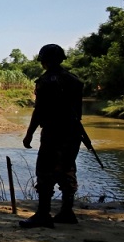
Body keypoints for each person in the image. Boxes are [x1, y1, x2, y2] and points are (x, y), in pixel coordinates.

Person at [20, 44, 84, 229]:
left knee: (45, 171)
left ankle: (43, 214)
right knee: (68, 169)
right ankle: (67, 211)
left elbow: (39, 110)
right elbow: (78, 112)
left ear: (44, 60)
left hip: (53, 132)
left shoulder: (45, 81)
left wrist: (29, 134)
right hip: (73, 132)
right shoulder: (74, 81)